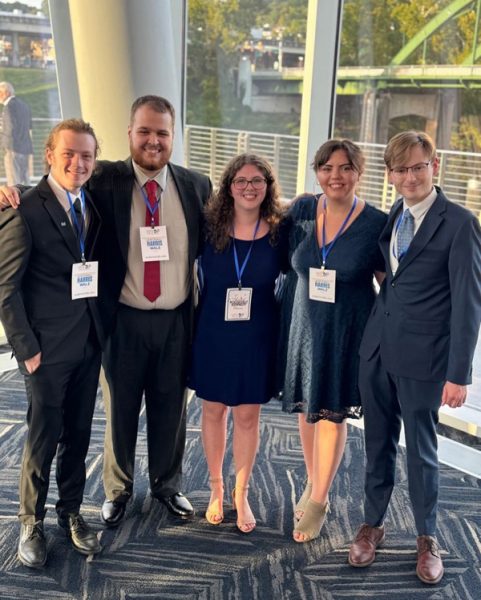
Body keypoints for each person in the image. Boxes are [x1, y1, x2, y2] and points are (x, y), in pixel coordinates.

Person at [0, 95, 212, 527]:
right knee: (120, 408)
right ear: (130, 134)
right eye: (145, 132)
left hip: (176, 319)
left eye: (162, 133)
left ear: (174, 137)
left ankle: (167, 485)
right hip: (122, 318)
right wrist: (9, 191)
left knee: (171, 409)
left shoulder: (196, 186)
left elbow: (238, 213)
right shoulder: (107, 179)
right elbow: (55, 189)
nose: (153, 141)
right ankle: (118, 489)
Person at [348, 131, 481, 585]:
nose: (410, 176)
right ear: (390, 176)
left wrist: (459, 373)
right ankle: (372, 525)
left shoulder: (460, 223)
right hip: (379, 350)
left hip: (425, 359)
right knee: (376, 446)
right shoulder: (395, 213)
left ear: (435, 165)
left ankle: (427, 538)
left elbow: (468, 302)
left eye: (418, 166)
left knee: (421, 451)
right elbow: (393, 276)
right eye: (401, 169)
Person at [0, 119, 104, 568]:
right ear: (49, 154)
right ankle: (30, 521)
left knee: (79, 435)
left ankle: (71, 513)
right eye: (69, 154)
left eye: (87, 156)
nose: (78, 163)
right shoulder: (23, 206)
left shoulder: (92, 204)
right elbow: (5, 287)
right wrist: (27, 350)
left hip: (86, 343)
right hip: (43, 350)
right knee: (43, 436)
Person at [277, 139, 387, 543]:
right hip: (304, 326)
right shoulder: (305, 209)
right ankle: (313, 479)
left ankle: (320, 499)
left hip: (346, 329)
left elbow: (387, 284)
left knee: (331, 413)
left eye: (344, 168)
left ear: (359, 172)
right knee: (308, 408)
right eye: (326, 168)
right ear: (316, 171)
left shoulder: (375, 222)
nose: (335, 176)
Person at [189, 154, 286, 533]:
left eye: (257, 180)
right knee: (213, 411)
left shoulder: (280, 231)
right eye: (241, 180)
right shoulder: (208, 227)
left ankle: (240, 492)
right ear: (229, 186)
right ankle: (215, 488)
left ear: (267, 187)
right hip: (212, 332)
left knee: (247, 416)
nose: (249, 187)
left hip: (257, 334)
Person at [0, 82, 33, 186]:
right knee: (26, 183)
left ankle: (17, 203)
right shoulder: (24, 105)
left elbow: (9, 129)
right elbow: (29, 127)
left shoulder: (8, 107)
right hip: (25, 148)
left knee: (14, 183)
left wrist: (2, 144)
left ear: (6, 93)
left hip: (12, 149)